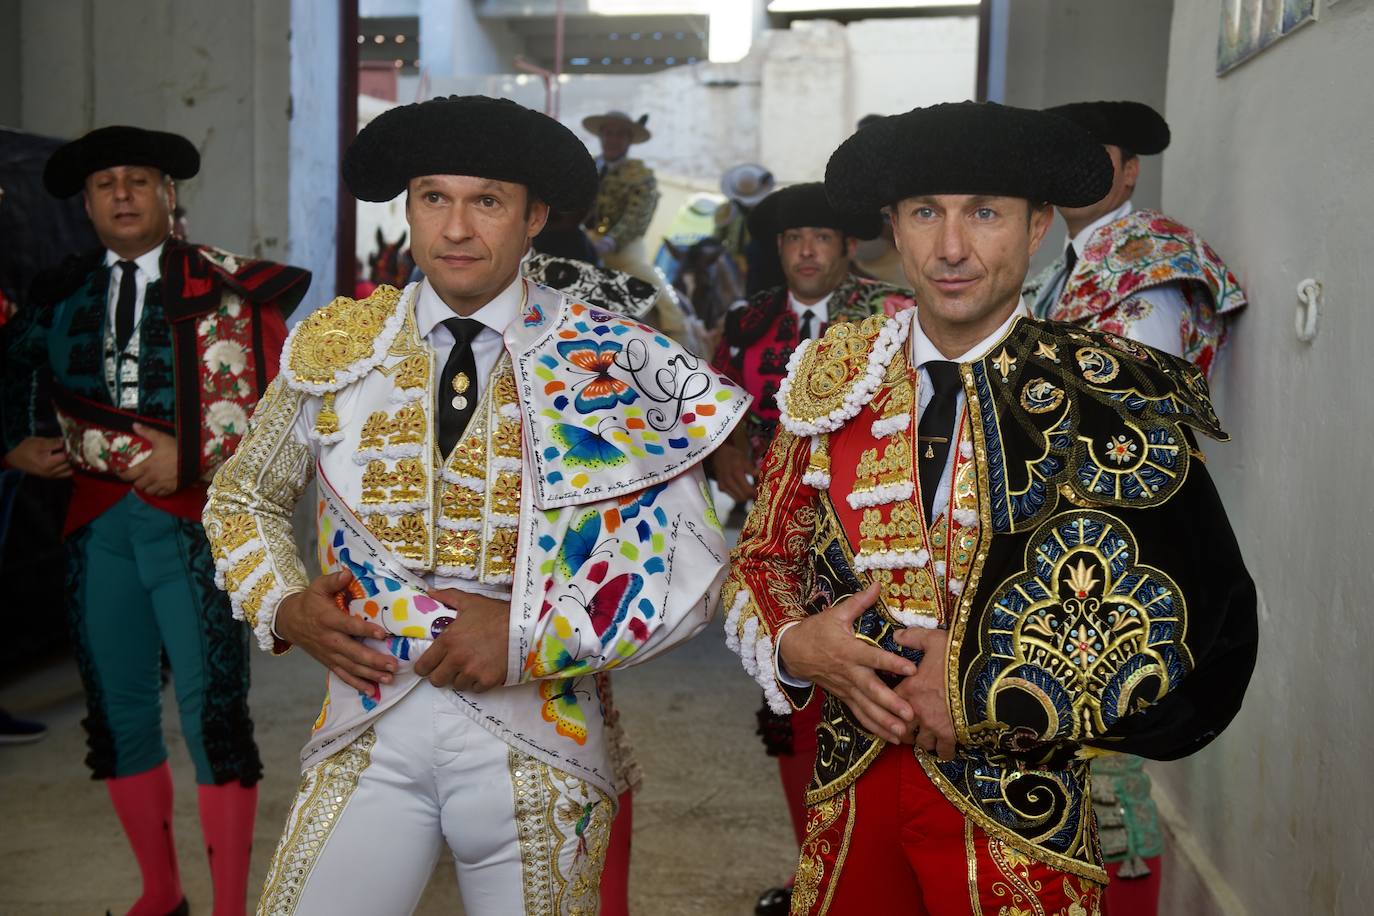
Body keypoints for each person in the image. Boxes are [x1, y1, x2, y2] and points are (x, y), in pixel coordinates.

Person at [203, 94, 748, 915]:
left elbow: (688, 561)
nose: (456, 229)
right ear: (410, 208)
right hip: (367, 721)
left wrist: (526, 634)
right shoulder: (338, 346)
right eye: (433, 197)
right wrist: (283, 605)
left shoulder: (609, 355)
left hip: (541, 738)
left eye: (486, 201)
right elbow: (243, 496)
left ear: (533, 219)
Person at [722, 101, 1257, 914]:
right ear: (892, 229)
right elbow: (761, 561)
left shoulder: (1106, 394)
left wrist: (980, 687)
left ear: (1038, 225)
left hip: (1020, 818)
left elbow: (1197, 617)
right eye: (926, 213)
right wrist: (800, 642)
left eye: (985, 213)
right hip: (851, 800)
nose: (951, 249)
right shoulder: (833, 374)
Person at [2, 125, 311, 916]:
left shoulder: (231, 287)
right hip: (96, 526)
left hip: (193, 526)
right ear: (87, 205)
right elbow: (13, 370)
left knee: (214, 709)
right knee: (118, 707)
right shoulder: (60, 293)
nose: (123, 196)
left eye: (138, 180)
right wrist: (14, 444)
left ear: (169, 196)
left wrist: (198, 454)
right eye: (106, 185)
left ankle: (231, 908)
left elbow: (283, 406)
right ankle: (161, 893)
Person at [1026, 99, 1248, 916]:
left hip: (1122, 529)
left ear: (1128, 170)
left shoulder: (1148, 258)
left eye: (1098, 157)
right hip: (1074, 521)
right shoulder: (1071, 261)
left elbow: (1127, 408)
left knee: (1106, 745)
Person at [707, 181, 914, 916]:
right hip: (774, 540)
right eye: (793, 238)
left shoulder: (895, 314)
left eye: (820, 238)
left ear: (847, 245)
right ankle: (815, 871)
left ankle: (871, 875)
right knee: (788, 699)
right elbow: (719, 400)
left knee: (874, 699)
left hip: (867, 545)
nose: (805, 250)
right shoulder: (745, 319)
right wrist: (728, 450)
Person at [1025, 100, 1246, 377]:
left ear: (1130, 171)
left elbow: (1150, 397)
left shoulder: (1151, 268)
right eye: (1062, 156)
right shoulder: (1053, 277)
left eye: (1096, 154)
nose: (1074, 169)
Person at [581, 109, 687, 343]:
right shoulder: (585, 167)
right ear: (601, 136)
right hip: (584, 241)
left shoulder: (641, 175)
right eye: (608, 134)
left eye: (620, 135)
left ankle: (679, 334)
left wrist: (611, 239)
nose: (613, 140)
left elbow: (637, 216)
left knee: (657, 290)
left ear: (629, 141)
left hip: (623, 250)